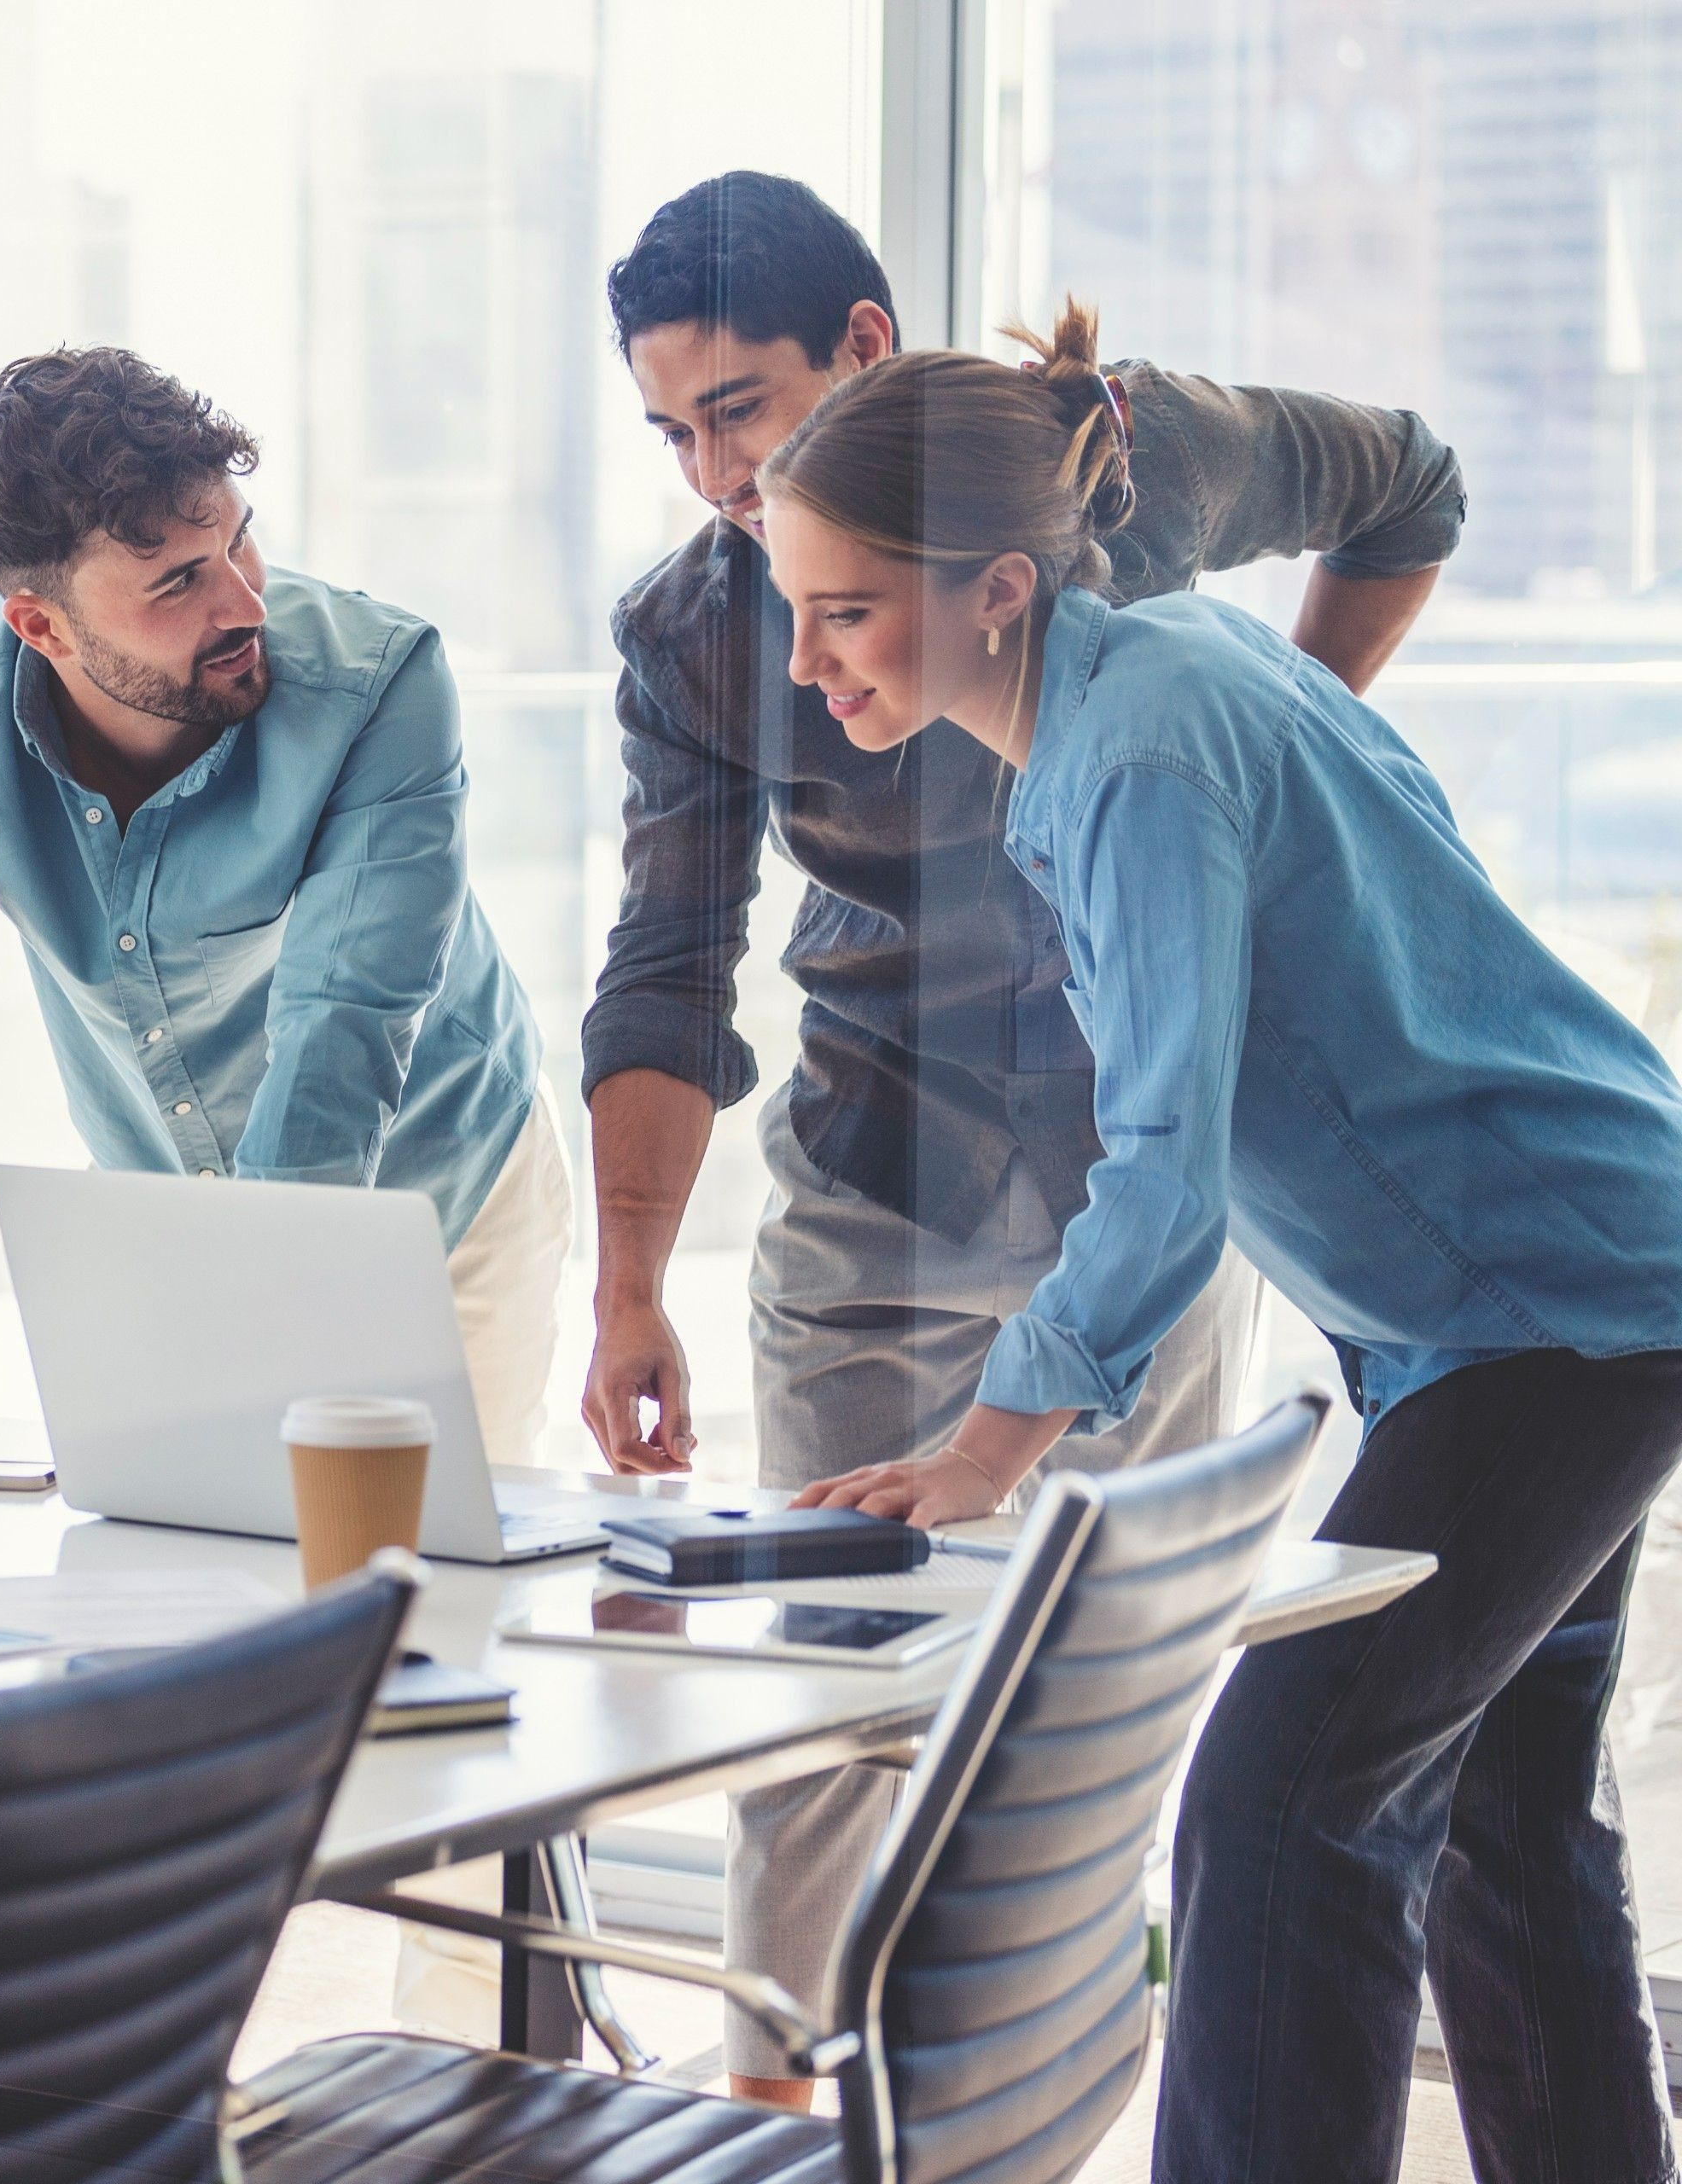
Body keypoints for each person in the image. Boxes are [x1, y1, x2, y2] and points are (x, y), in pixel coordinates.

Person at [763, 305, 1682, 2184]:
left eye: (843, 609)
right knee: (1502, 1807)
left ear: (997, 588)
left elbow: (1166, 1166)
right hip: (1531, 1294)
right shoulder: (1158, 679)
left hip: (1557, 1311)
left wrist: (985, 1447)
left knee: (1285, 1795)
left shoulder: (1139, 757)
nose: (806, 658)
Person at [578, 171, 1466, 2106]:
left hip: (1134, 1178)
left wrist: (1288, 733)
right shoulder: (695, 632)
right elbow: (666, 962)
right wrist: (629, 1279)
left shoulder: (1121, 463)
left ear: (866, 354)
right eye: (670, 431)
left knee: (1103, 1694)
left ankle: (1024, 2112)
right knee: (820, 1698)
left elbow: (1412, 480)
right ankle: (779, 2112)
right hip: (872, 1164)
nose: (712, 474)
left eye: (736, 408)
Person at [0, 347, 557, 1460]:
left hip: (436, 1191)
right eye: (176, 582)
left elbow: (342, 1022)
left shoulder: (381, 684)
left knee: (420, 1574)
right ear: (42, 628)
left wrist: (248, 1328)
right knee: (188, 1579)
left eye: (238, 539)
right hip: (173, 1206)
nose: (244, 600)